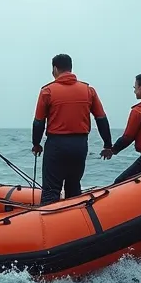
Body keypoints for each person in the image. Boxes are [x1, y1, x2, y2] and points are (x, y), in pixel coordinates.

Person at [31, 53, 113, 204]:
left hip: (56, 145)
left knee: (51, 190)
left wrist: (36, 144)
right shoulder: (88, 90)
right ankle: (74, 223)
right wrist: (108, 144)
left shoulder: (47, 91)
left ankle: (49, 225)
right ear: (70, 68)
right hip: (80, 146)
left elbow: (38, 122)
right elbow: (101, 119)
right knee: (74, 187)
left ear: (55, 69)